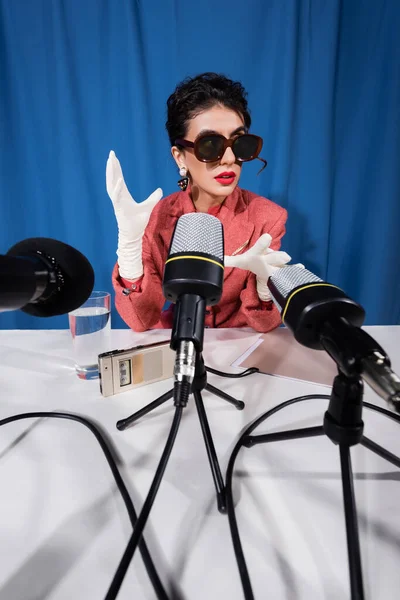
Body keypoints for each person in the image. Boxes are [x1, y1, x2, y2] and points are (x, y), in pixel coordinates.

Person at [107, 72, 291, 333]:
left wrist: (265, 288)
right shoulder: (153, 217)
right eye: (210, 145)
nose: (228, 158)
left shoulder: (267, 217)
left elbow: (264, 325)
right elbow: (141, 320)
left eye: (239, 143)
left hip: (238, 347)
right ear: (180, 157)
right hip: (172, 344)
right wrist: (129, 250)